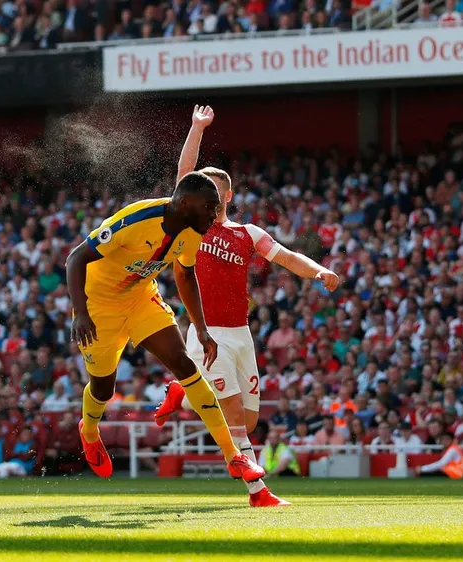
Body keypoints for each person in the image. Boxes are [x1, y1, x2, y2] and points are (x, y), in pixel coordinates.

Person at [154, 105, 339, 507]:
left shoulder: (248, 233)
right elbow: (184, 174)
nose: (211, 196)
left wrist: (318, 270)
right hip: (211, 332)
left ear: (229, 196)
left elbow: (288, 257)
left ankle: (183, 392)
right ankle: (258, 492)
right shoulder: (192, 226)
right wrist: (197, 128)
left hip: (242, 334)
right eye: (204, 190)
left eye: (218, 191)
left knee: (249, 420)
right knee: (235, 418)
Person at [65, 169, 264, 482]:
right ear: (184, 204)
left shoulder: (193, 228)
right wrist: (80, 313)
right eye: (209, 209)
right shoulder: (135, 220)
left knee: (184, 364)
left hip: (141, 299)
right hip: (98, 308)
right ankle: (89, 431)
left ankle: (234, 456)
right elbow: (76, 258)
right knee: (103, 389)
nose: (214, 217)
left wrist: (200, 327)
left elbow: (185, 275)